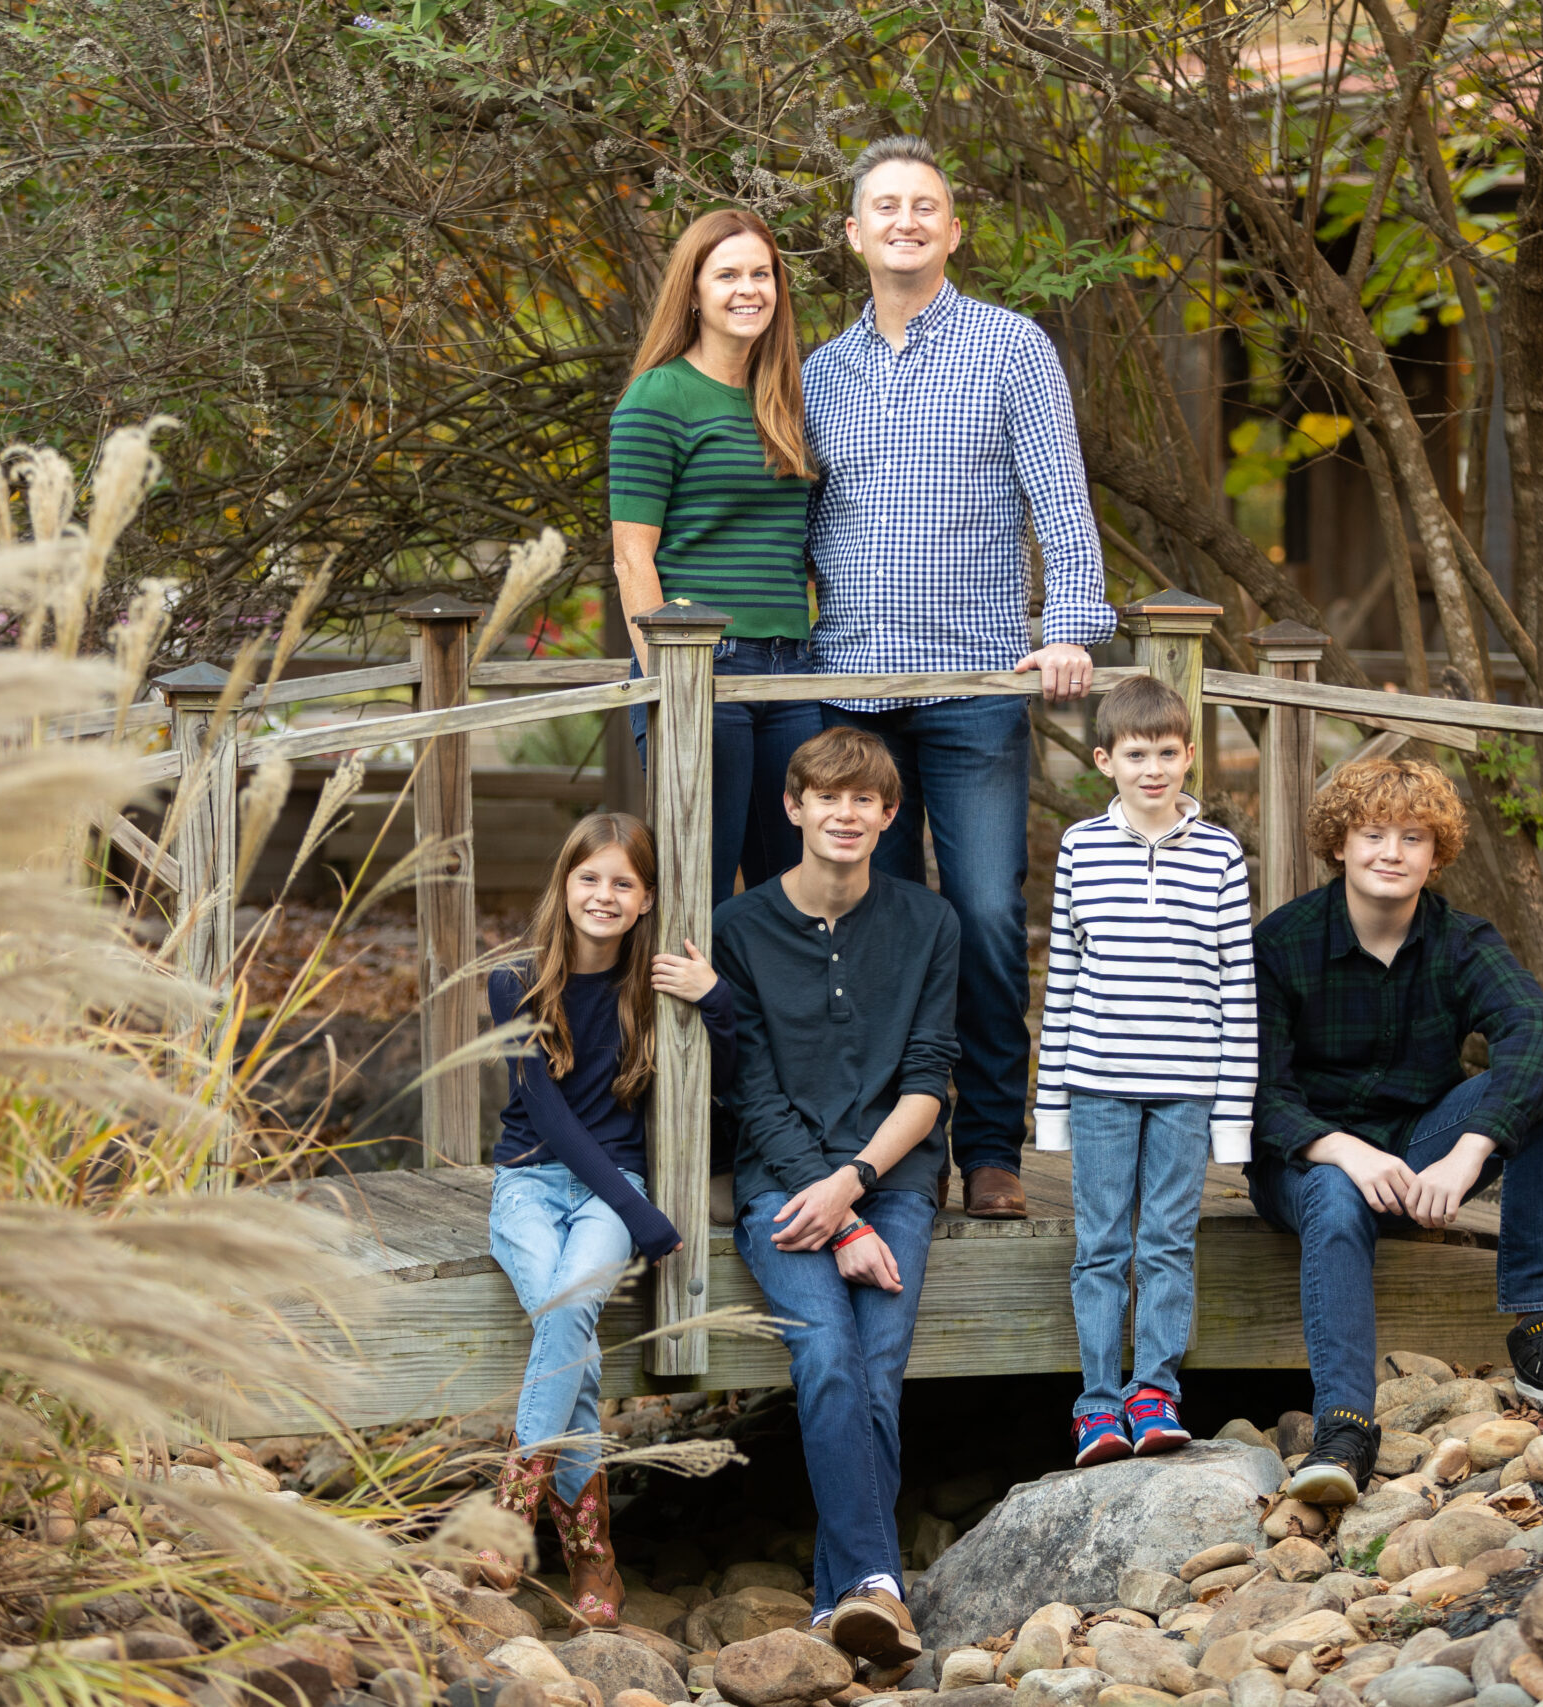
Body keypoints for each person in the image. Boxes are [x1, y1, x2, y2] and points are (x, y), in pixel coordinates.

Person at [802, 135, 1116, 1221]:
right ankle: (886, 1145)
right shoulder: (815, 374)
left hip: (979, 686)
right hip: (851, 693)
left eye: (923, 206)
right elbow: (794, 526)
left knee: (983, 913)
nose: (904, 221)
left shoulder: (1009, 347)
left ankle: (988, 1145)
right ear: (853, 234)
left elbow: (1060, 503)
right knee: (872, 923)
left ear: (951, 227)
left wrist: (1070, 624)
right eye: (882, 207)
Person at [1246, 758, 1543, 1507]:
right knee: (1332, 1188)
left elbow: (1539, 1033)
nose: (1391, 851)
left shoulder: (1458, 939)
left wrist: (1470, 1146)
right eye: (1373, 833)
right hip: (1306, 1165)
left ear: (1436, 852)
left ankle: (1539, 1334)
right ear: (1339, 844)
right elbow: (1254, 1088)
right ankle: (1347, 1429)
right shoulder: (1283, 943)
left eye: (1412, 836)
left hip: (1420, 1152)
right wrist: (1340, 1147)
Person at [712, 726, 960, 1675]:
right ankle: (875, 1586)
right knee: (826, 1355)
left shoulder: (928, 922)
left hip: (892, 1177)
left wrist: (857, 1192)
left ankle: (850, 1595)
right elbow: (753, 1093)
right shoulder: (739, 930)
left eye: (866, 801)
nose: (847, 814)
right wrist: (835, 1216)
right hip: (779, 1186)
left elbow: (930, 1080)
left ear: (890, 816)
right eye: (829, 797)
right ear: (794, 807)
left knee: (879, 1360)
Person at [482, 813, 736, 1628]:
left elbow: (733, 1064)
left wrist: (717, 997)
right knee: (573, 1328)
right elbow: (548, 1119)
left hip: (610, 1189)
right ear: (564, 885)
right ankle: (594, 1558)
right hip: (528, 1184)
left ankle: (510, 1510)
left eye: (622, 882)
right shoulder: (513, 983)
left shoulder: (653, 990)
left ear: (646, 898)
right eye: (589, 877)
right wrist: (645, 1217)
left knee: (566, 1307)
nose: (603, 894)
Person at [1034, 676, 1256, 1468]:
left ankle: (1154, 1389)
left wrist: (1233, 1118)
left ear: (1189, 755)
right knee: (1100, 1243)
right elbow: (1063, 977)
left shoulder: (1221, 853)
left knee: (1166, 1239)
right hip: (1097, 1080)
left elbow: (1238, 988)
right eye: (1136, 754)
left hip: (1188, 1087)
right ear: (1106, 760)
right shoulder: (1082, 848)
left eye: (1168, 752)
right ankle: (1097, 1403)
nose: (1153, 768)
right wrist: (1050, 1106)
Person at [610, 208, 821, 911]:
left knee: (790, 893)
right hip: (703, 665)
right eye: (727, 274)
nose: (748, 289)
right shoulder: (658, 395)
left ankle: (763, 1027)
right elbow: (631, 558)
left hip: (791, 672)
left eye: (761, 274)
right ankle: (674, 1027)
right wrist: (667, 679)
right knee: (694, 884)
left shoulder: (784, 398)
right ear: (693, 291)